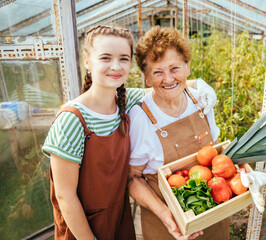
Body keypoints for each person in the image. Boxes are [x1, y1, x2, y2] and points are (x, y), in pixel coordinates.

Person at [42, 25, 216, 240]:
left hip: (119, 217)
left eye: (123, 58)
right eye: (105, 58)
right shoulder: (71, 121)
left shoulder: (126, 101)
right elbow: (65, 197)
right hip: (82, 227)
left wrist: (199, 83)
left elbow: (167, 85)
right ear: (87, 61)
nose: (115, 66)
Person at [127, 26, 230, 240]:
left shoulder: (201, 101)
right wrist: (167, 215)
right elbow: (132, 178)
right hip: (167, 227)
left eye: (174, 68)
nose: (168, 79)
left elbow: (217, 154)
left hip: (212, 217)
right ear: (146, 78)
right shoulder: (141, 117)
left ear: (188, 67)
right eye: (157, 72)